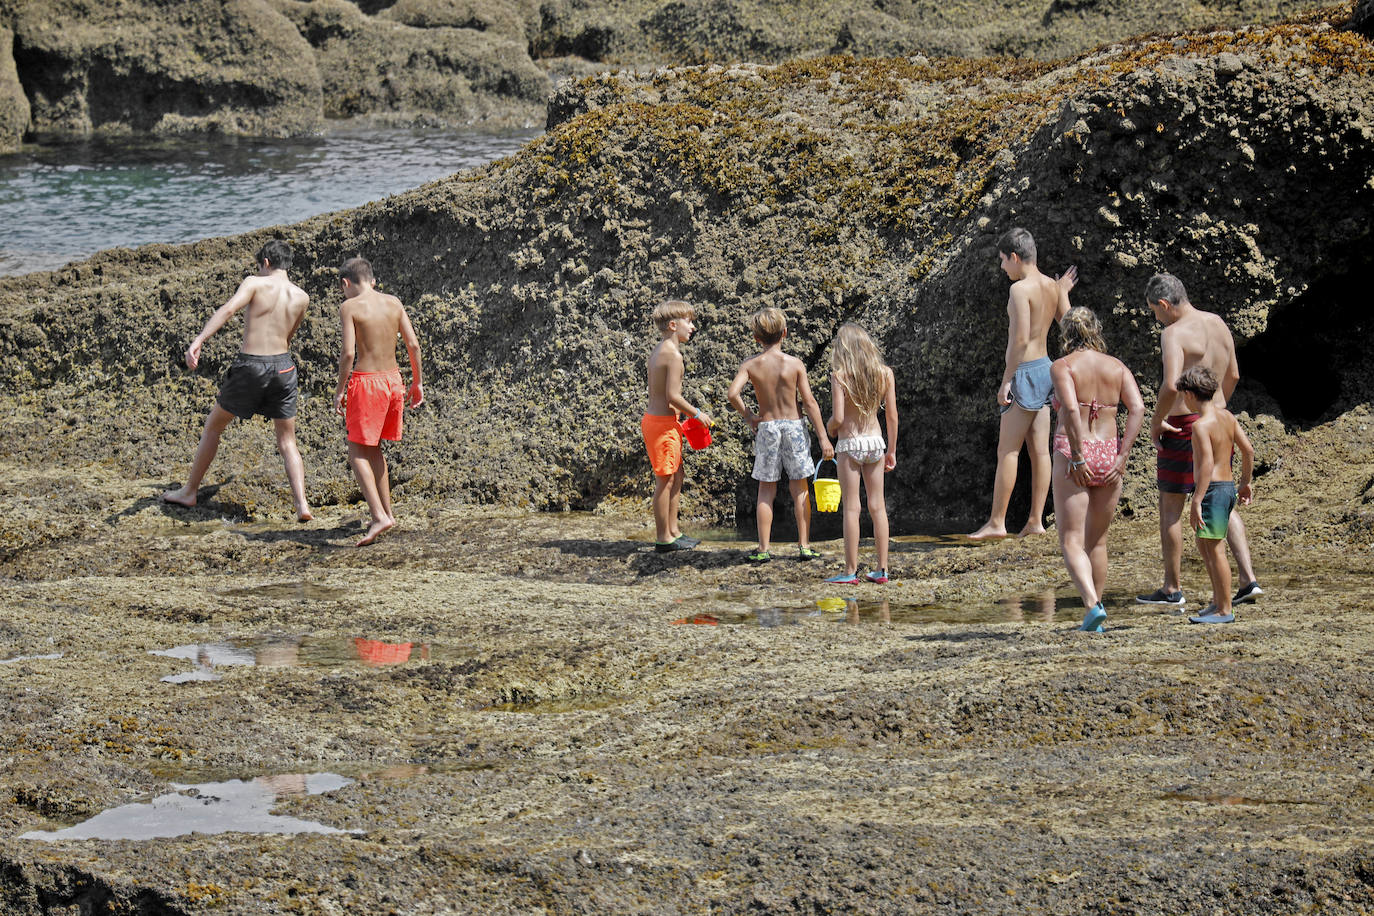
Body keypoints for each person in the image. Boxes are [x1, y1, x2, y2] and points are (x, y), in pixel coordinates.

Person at [161, 240, 312, 520]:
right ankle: (302, 504)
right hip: (283, 367)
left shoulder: (254, 283)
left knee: (214, 426)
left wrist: (199, 340)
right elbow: (288, 336)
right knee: (287, 440)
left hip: (251, 365)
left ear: (265, 262)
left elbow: (229, 309)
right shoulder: (302, 297)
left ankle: (189, 491)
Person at [1136, 273, 1262, 608]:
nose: (1156, 318)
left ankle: (1171, 588)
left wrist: (1157, 420)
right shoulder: (1217, 323)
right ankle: (1248, 579)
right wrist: (1215, 409)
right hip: (1219, 418)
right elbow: (1233, 374)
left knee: (1171, 506)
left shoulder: (1173, 332)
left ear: (1165, 304)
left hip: (1183, 425)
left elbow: (1171, 385)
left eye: (1154, 311)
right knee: (1222, 500)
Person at [969, 228, 1076, 539]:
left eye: (1003, 260)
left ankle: (997, 522)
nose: (1003, 267)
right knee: (1040, 452)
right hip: (1046, 368)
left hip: (1024, 371)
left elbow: (1020, 340)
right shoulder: (1052, 286)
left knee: (1008, 451)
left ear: (1015, 257)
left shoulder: (1019, 290)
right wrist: (1063, 293)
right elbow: (1069, 327)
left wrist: (1006, 381)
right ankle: (1035, 521)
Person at [1048, 308, 1145, 632]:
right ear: (1096, 330)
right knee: (1098, 542)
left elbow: (1070, 407)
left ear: (1066, 333)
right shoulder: (1116, 366)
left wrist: (1077, 456)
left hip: (1073, 452)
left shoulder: (1063, 366)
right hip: (1109, 455)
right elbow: (1138, 408)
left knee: (1071, 540)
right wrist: (1123, 456)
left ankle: (1092, 605)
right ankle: (1096, 618)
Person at [726, 308, 834, 563]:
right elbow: (809, 402)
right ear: (785, 333)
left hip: (768, 427)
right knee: (800, 487)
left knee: (766, 489)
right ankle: (804, 545)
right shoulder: (794, 364)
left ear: (756, 338)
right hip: (794, 426)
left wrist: (749, 416)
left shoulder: (751, 365)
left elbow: (732, 394)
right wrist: (823, 437)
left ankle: (763, 549)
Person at [333, 257, 423, 547]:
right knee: (374, 449)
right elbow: (413, 344)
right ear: (372, 279)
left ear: (346, 283)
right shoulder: (393, 302)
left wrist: (340, 389)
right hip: (393, 381)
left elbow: (348, 354)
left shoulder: (350, 307)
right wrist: (417, 382)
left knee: (356, 452)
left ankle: (378, 515)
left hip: (367, 382)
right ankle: (387, 513)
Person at [1177, 366, 1254, 624]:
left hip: (1212, 490)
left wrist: (1197, 500)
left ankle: (1225, 609)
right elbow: (1248, 450)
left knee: (1215, 549)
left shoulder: (1200, 426)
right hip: (1227, 487)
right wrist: (1245, 482)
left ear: (1190, 394)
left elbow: (1207, 464)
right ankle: (1218, 600)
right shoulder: (1227, 417)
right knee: (1204, 544)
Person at [821, 323, 898, 584]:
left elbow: (838, 418)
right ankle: (882, 569)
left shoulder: (840, 376)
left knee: (852, 508)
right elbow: (892, 416)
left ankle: (850, 571)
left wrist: (829, 427)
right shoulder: (885, 373)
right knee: (878, 506)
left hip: (850, 444)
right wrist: (892, 450)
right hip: (875, 442)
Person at [644, 300, 711, 552]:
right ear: (673, 325)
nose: (692, 327)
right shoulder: (673, 355)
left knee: (677, 474)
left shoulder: (660, 349)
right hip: (661, 426)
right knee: (665, 480)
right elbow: (672, 396)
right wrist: (697, 414)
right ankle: (664, 538)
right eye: (688, 322)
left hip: (666, 424)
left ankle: (674, 531)